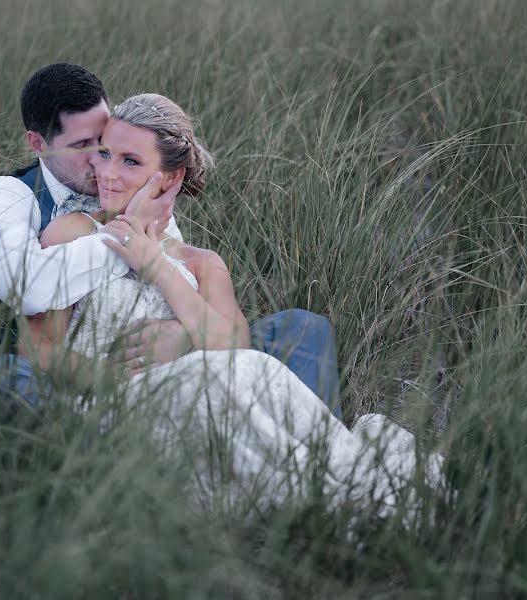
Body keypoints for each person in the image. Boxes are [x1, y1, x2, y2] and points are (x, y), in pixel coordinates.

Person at [22, 92, 442, 509]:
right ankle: (337, 498)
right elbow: (37, 350)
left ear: (169, 178)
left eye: (131, 161)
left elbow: (238, 352)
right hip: (117, 410)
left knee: (246, 371)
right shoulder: (71, 234)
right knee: (217, 379)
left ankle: (335, 492)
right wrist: (118, 380)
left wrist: (160, 277)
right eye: (106, 153)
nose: (108, 173)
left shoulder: (201, 264)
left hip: (208, 408)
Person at [0, 63, 341, 417]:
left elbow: (172, 270)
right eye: (91, 148)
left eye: (110, 146)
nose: (103, 168)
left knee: (304, 329)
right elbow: (30, 291)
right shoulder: (10, 198)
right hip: (69, 382)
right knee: (6, 376)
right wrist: (130, 239)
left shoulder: (157, 214)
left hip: (193, 376)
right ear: (38, 143)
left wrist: (185, 339)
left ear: (169, 178)